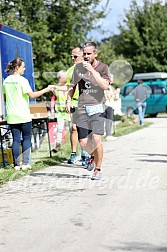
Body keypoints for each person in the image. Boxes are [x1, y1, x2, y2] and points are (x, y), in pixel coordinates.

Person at [66, 42, 110, 180]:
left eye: (88, 53)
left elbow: (104, 85)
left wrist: (92, 70)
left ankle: (98, 169)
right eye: (84, 53)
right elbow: (72, 86)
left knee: (97, 139)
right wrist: (68, 100)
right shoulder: (78, 68)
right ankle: (92, 155)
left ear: (95, 54)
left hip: (97, 107)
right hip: (81, 108)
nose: (85, 56)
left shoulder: (103, 67)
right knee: (83, 142)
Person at [3, 57, 53, 171]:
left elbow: (5, 98)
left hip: (11, 115)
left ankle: (16, 165)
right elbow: (32, 96)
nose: (24, 69)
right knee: (26, 138)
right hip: (23, 114)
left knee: (15, 139)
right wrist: (46, 89)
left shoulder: (5, 81)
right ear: (17, 67)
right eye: (23, 67)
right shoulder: (22, 80)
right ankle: (25, 163)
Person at [66, 47, 90, 165]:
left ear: (82, 56)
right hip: (75, 102)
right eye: (71, 56)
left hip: (87, 103)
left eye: (75, 56)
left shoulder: (89, 67)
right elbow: (69, 87)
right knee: (74, 128)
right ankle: (75, 153)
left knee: (86, 129)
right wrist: (68, 101)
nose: (72, 59)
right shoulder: (71, 69)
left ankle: (86, 153)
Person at [50, 70, 70, 152]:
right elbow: (53, 99)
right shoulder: (56, 88)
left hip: (68, 111)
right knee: (59, 128)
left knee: (72, 128)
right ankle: (57, 145)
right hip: (60, 112)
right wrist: (52, 109)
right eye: (64, 76)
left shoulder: (69, 86)